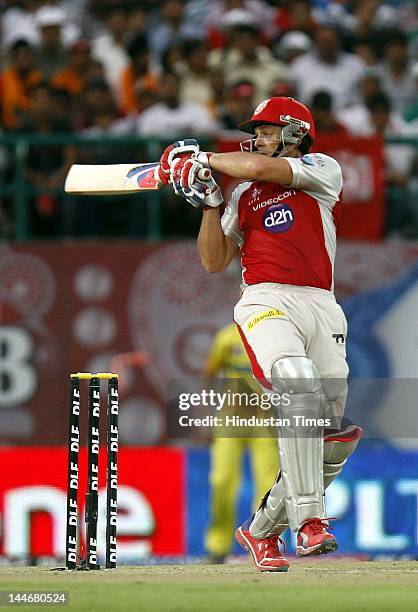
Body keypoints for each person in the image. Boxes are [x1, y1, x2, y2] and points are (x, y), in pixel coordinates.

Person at [156, 95, 362, 571]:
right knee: (297, 381)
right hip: (265, 300)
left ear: (294, 132)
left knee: (331, 437)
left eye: (268, 130)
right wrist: (210, 204)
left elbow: (264, 169)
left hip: (322, 306)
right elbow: (214, 261)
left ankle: (261, 530)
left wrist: (202, 157)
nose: (259, 138)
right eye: (259, 131)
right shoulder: (241, 195)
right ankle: (310, 523)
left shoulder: (321, 169)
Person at [203, 322, 278, 564]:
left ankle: (264, 543)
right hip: (230, 419)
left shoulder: (273, 335)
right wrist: (204, 409)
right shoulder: (227, 337)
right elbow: (209, 372)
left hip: (264, 420)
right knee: (222, 481)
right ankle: (218, 547)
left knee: (268, 487)